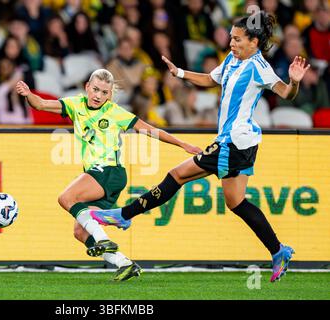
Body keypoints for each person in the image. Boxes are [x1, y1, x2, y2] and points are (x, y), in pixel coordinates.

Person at [88, 12, 311, 283]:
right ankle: (278, 251)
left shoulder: (258, 66)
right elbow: (210, 79)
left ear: (253, 41)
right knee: (236, 202)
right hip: (243, 142)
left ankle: (124, 215)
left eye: (237, 39)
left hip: (233, 142)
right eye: (230, 37)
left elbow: (286, 93)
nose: (231, 43)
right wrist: (179, 72)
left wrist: (295, 80)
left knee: (177, 175)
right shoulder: (232, 59)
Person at [16, 69, 201, 281]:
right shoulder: (75, 105)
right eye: (95, 90)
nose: (98, 96)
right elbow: (40, 104)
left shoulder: (116, 112)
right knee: (80, 231)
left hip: (110, 171)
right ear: (87, 87)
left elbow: (150, 129)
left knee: (66, 198)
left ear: (110, 95)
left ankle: (106, 235)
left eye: (104, 92)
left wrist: (182, 143)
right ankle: (124, 262)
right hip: (101, 176)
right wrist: (27, 94)